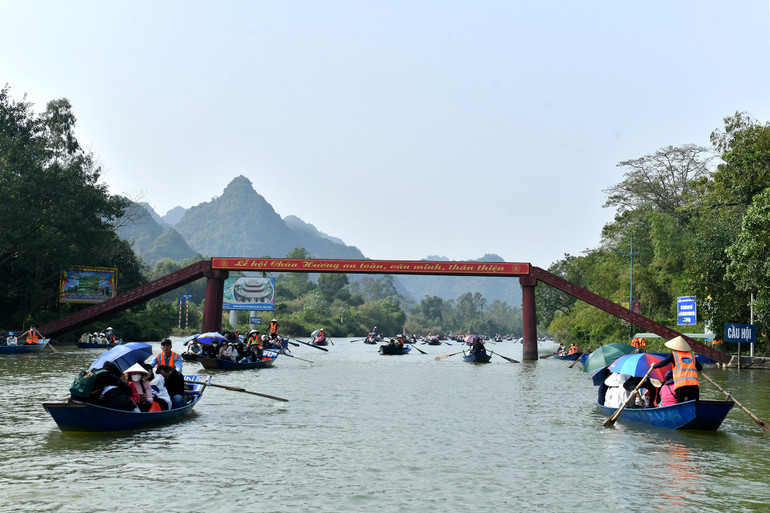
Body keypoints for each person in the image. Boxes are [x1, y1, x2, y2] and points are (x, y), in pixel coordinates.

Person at [652, 335, 702, 402]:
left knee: (680, 404)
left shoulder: (674, 355)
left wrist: (654, 366)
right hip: (693, 385)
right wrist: (698, 369)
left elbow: (664, 363)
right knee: (695, 402)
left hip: (681, 385)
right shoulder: (692, 355)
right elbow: (700, 367)